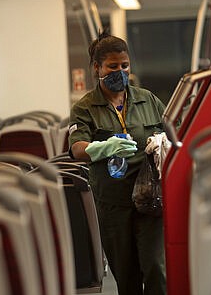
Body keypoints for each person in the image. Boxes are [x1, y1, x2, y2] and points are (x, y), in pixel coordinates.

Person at [68, 29, 167, 295]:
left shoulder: (148, 99)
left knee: (157, 268)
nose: (120, 72)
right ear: (97, 67)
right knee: (126, 275)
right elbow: (77, 148)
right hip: (113, 202)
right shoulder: (85, 107)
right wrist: (102, 148)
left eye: (125, 66)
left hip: (150, 197)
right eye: (112, 66)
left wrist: (162, 143)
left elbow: (175, 133)